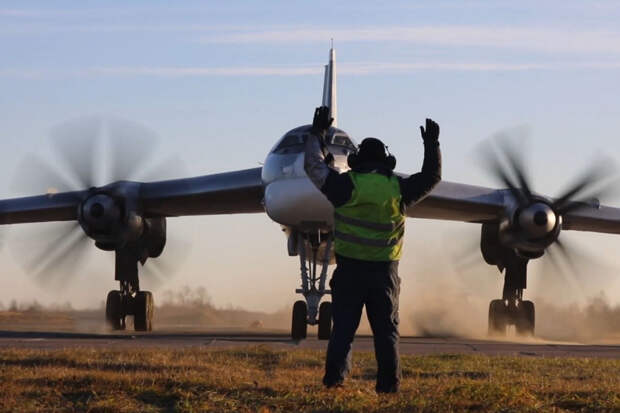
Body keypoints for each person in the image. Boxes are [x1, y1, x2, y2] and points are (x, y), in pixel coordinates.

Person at [304, 106, 441, 393]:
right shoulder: (398, 189)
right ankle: (388, 388)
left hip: (350, 272)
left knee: (342, 331)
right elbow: (431, 178)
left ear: (357, 161)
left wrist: (316, 134)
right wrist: (432, 145)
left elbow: (314, 167)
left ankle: (335, 383)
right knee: (386, 333)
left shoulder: (345, 185)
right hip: (384, 274)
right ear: (386, 162)